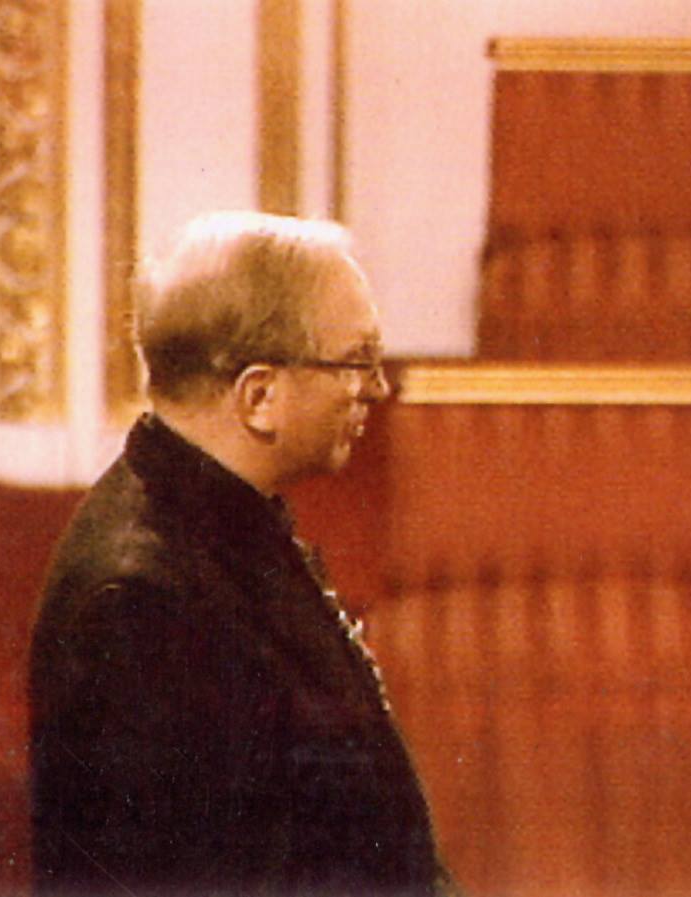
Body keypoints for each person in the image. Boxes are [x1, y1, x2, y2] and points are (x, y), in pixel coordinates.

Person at [29, 211, 450, 896]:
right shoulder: (140, 601)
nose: (376, 386)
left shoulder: (221, 526)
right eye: (357, 360)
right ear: (260, 396)